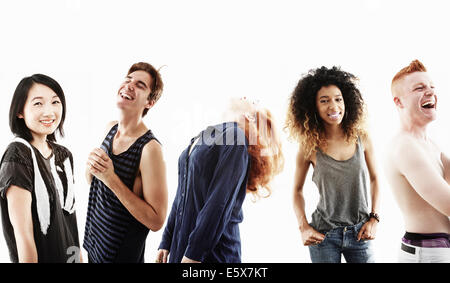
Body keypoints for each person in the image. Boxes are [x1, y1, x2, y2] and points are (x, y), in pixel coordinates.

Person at [155, 97, 284, 263]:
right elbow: (182, 194)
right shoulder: (208, 134)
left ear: (250, 116)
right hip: (184, 247)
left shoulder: (235, 136)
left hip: (212, 254)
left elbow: (219, 202)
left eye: (252, 100)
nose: (245, 96)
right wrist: (167, 240)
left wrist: (194, 253)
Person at [286, 66, 380, 263]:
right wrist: (303, 227)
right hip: (324, 236)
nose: (334, 106)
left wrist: (374, 218)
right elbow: (296, 190)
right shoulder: (308, 147)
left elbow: (375, 178)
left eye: (338, 99)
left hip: (360, 233)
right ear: (313, 107)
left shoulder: (362, 137)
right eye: (324, 100)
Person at [83, 62, 168, 263]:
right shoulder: (110, 128)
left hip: (120, 256)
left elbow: (157, 221)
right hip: (94, 246)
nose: (129, 85)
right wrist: (91, 168)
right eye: (128, 79)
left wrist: (111, 178)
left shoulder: (150, 149)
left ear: (150, 102)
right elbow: (96, 184)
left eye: (140, 85)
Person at [0, 74, 81, 263]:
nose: (49, 112)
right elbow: (23, 235)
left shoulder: (64, 155)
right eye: (38, 104)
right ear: (20, 111)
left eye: (55, 102)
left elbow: (71, 225)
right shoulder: (18, 155)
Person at [385, 59, 450, 263]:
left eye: (432, 87)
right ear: (399, 102)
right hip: (427, 254)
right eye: (419, 88)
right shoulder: (406, 147)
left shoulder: (431, 144)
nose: (430, 92)